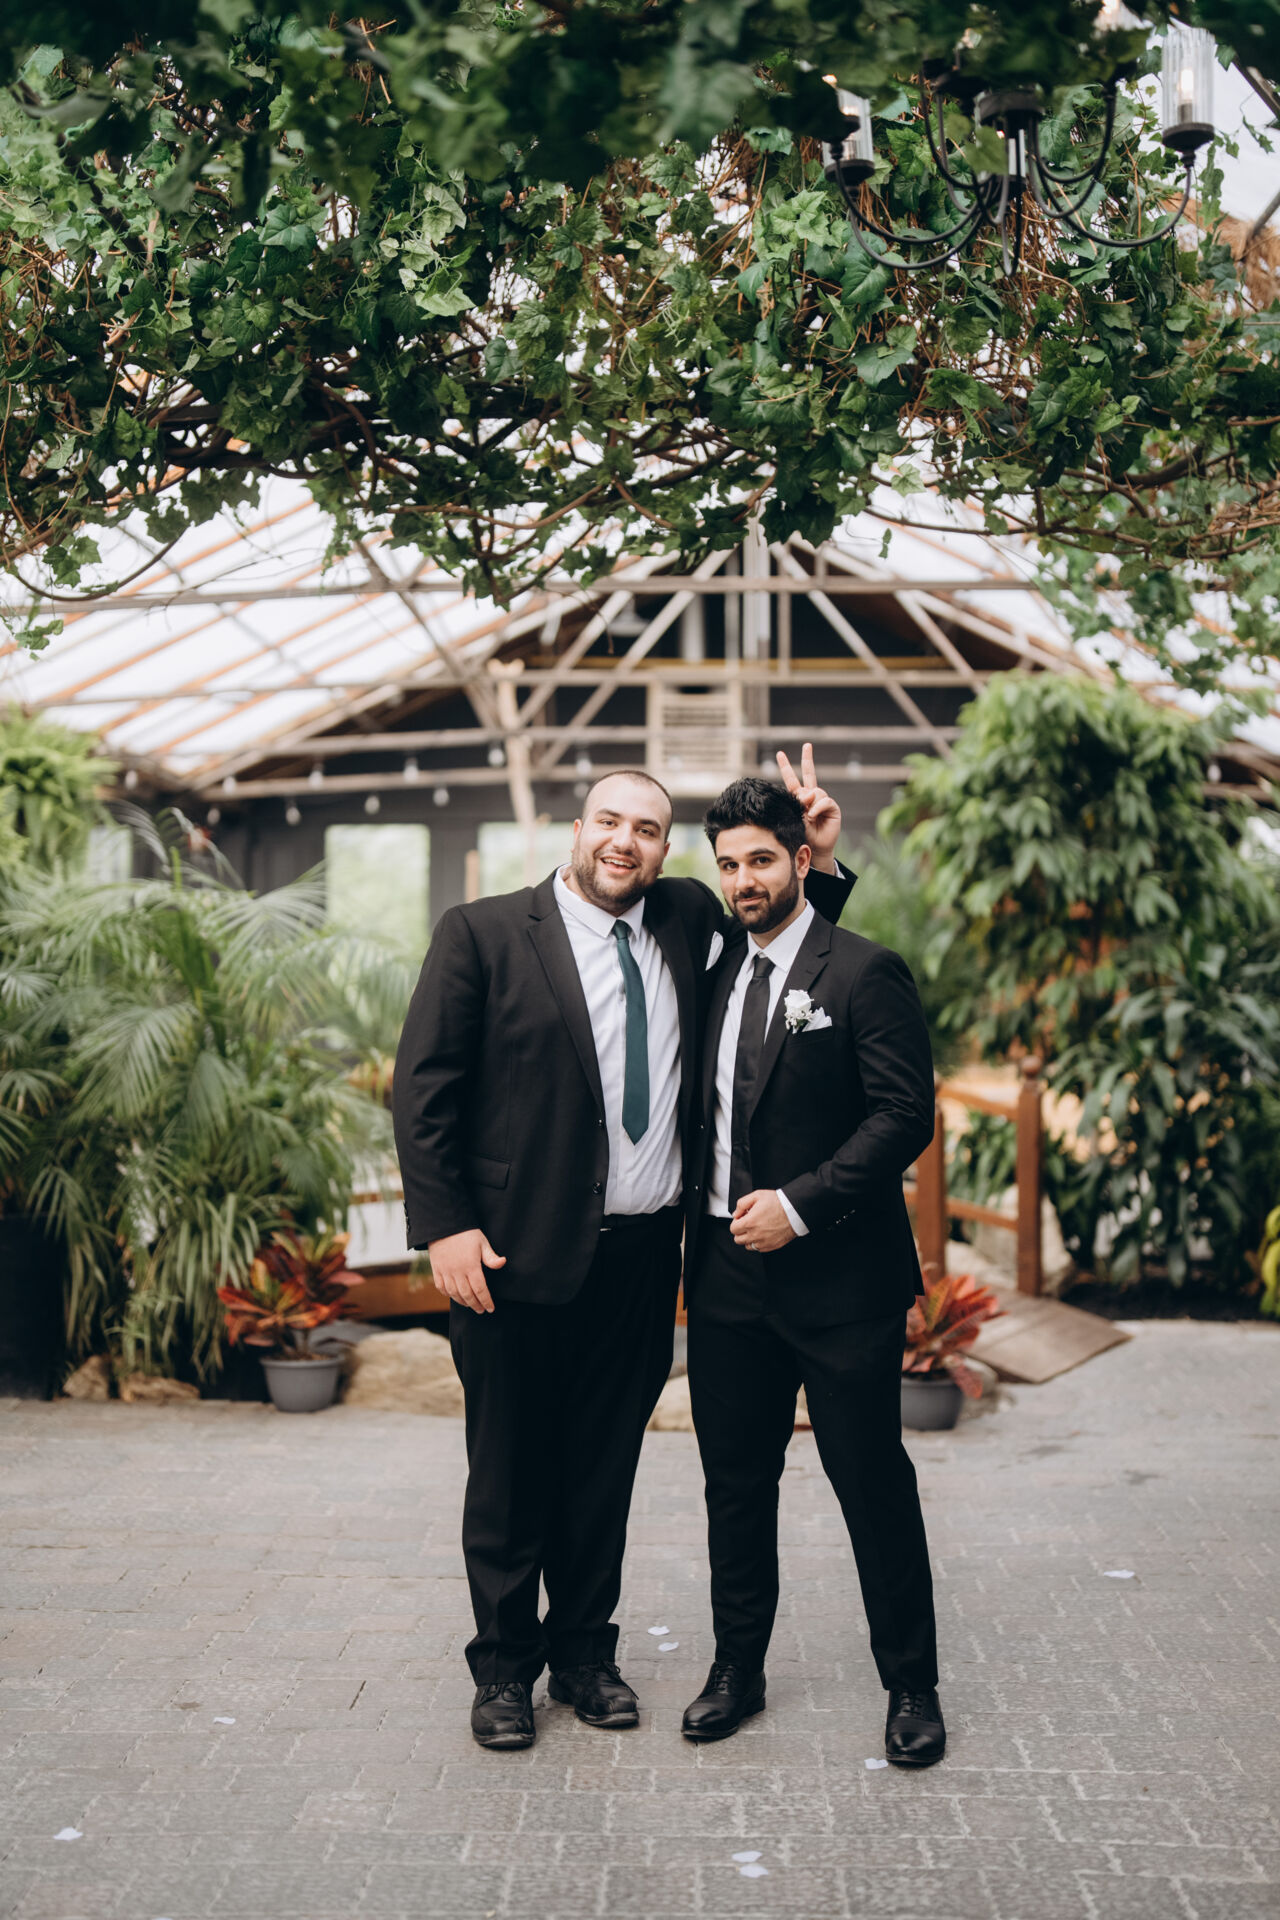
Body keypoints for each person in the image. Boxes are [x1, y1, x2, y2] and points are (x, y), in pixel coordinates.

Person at [392, 755, 853, 1751]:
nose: (624, 842)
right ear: (576, 829)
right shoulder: (482, 933)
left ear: (663, 849)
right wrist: (444, 1225)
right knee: (509, 1470)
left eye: (646, 830)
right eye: (609, 821)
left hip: (642, 1259)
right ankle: (503, 1671)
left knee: (602, 1469)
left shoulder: (685, 919)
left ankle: (584, 1658)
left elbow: (790, 942)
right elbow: (422, 1088)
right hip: (509, 1256)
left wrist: (815, 853)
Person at [680, 775, 945, 1767]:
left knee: (869, 1482)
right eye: (728, 865)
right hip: (723, 1280)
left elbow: (902, 1116)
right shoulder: (711, 963)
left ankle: (911, 1684)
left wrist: (797, 1206)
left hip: (841, 1284)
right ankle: (735, 1670)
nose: (742, 880)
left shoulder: (865, 973)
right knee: (734, 1485)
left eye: (760, 859)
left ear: (798, 860)